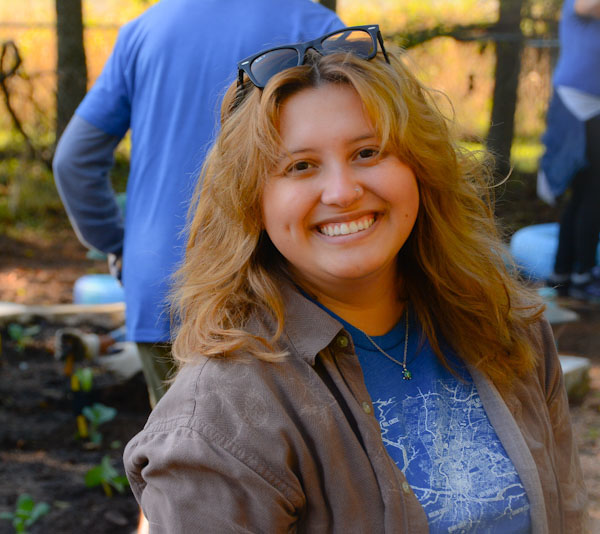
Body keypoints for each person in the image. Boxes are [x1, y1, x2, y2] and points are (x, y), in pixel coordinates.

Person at [123, 26, 586, 532]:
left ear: (421, 170)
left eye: (368, 152)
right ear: (252, 203)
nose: (342, 192)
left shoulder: (506, 324)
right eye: (301, 166)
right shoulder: (221, 419)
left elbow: (567, 511)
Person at [53, 0, 344, 407]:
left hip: (165, 284)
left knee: (181, 458)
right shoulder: (314, 25)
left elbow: (73, 161)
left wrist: (120, 245)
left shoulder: (144, 31)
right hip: (280, 288)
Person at [539, 0, 600, 301]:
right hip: (575, 103)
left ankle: (563, 273)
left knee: (585, 194)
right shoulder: (580, 5)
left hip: (592, 106)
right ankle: (581, 274)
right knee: (591, 193)